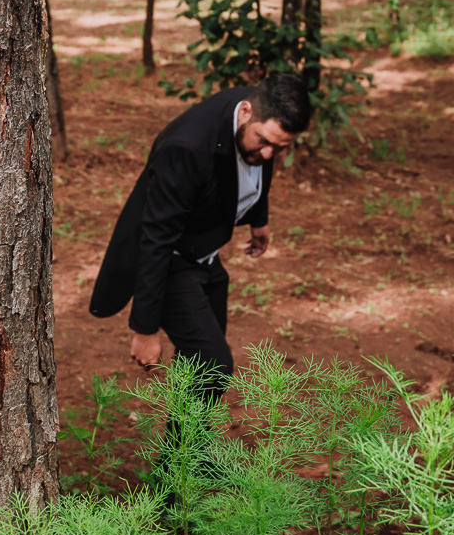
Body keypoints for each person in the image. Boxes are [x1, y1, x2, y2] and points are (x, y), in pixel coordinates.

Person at [87, 74, 311, 404]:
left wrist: (257, 219)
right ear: (246, 111)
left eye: (280, 147)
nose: (267, 155)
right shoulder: (187, 147)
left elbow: (256, 166)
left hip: (205, 250)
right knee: (212, 364)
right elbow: (155, 237)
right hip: (171, 260)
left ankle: (185, 455)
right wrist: (145, 330)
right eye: (263, 141)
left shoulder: (260, 117)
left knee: (198, 366)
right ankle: (183, 453)